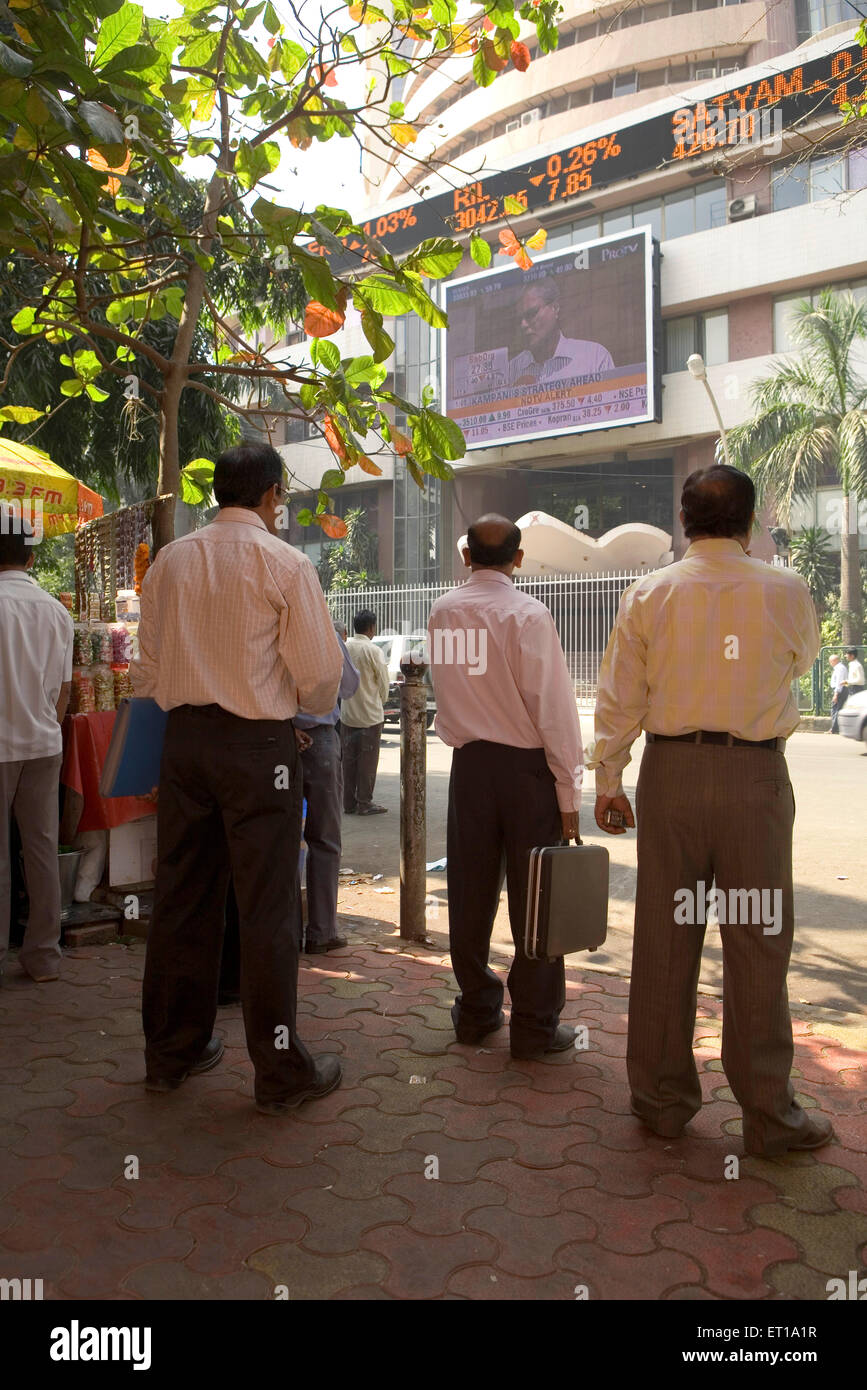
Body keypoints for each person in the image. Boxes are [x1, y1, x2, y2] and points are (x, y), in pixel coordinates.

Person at [588, 464, 830, 1158]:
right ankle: (768, 1117)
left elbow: (619, 696)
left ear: (684, 522)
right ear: (750, 522)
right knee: (757, 941)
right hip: (753, 778)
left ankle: (661, 1103)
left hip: (670, 776)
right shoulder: (785, 591)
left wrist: (609, 780)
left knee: (665, 940)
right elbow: (800, 659)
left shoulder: (648, 593)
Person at [131, 442, 344, 1115]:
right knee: (268, 908)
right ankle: (279, 1072)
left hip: (184, 741)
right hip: (259, 748)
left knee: (182, 898)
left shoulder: (171, 561)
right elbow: (319, 674)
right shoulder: (284, 563)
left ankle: (172, 1053)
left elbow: (147, 669)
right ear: (271, 495)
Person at [428, 514, 583, 1060]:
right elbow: (554, 709)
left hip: (470, 768)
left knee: (469, 892)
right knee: (536, 897)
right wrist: (569, 794)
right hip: (527, 774)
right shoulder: (529, 614)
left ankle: (475, 1010)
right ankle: (536, 1026)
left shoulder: (445, 611)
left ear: (466, 556)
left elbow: (448, 692)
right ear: (519, 560)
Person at [0, 512, 73, 984]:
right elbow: (64, 694)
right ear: (30, 557)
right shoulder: (55, 610)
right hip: (45, 742)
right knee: (41, 847)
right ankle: (44, 955)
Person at [294, 624, 360, 953]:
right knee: (325, 839)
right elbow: (349, 685)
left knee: (282, 841)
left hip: (277, 740)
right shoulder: (324, 633)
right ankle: (321, 931)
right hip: (319, 738)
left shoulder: (268, 627)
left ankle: (287, 932)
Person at [508, 277, 614, 387]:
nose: (523, 324)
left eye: (531, 313)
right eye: (518, 319)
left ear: (555, 308)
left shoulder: (594, 358)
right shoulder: (510, 371)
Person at [341, 609, 390, 816]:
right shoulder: (373, 650)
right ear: (371, 627)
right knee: (368, 761)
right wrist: (381, 702)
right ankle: (364, 802)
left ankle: (348, 803)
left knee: (349, 760)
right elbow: (384, 684)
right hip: (370, 715)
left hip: (347, 714)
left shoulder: (344, 647)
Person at [829, 653, 848, 734]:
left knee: (836, 709)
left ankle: (834, 729)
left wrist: (836, 694)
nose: (830, 663)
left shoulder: (839, 668)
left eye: (830, 661)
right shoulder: (840, 668)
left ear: (834, 661)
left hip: (840, 690)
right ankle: (835, 728)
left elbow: (839, 682)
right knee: (837, 709)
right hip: (841, 690)